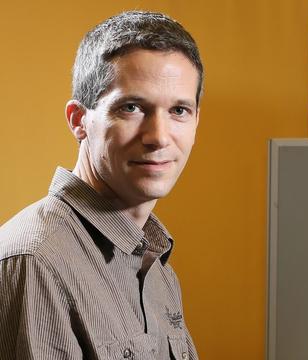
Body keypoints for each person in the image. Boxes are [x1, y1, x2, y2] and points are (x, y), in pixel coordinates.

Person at [0, 11, 201, 359]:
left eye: (179, 110)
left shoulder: (155, 268)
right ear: (79, 121)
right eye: (132, 107)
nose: (158, 137)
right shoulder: (37, 263)